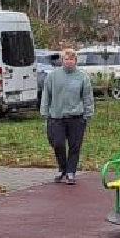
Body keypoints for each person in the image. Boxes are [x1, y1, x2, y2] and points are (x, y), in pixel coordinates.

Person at [39, 48, 94, 184]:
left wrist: (88, 113)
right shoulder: (53, 76)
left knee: (75, 146)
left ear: (75, 61)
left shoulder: (82, 77)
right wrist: (44, 112)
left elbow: (87, 96)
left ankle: (70, 172)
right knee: (57, 143)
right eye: (66, 59)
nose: (69, 62)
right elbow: (46, 95)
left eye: (71, 59)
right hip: (56, 117)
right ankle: (62, 168)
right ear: (62, 61)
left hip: (77, 117)